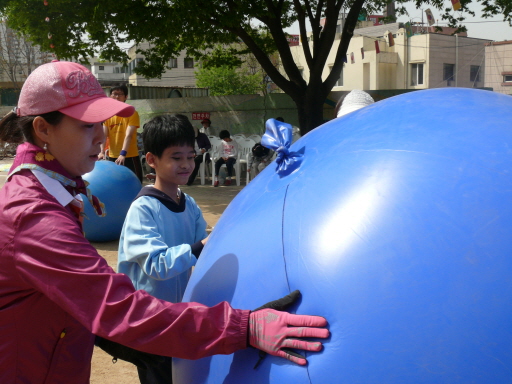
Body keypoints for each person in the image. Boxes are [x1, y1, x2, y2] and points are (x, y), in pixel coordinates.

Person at [0, 60, 329, 383]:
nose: (102, 137)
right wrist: (245, 327)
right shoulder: (34, 214)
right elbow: (116, 306)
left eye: (102, 123)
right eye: (87, 126)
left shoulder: (54, 190)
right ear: (43, 129)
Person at [116, 114, 208, 382]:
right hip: (150, 323)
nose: (186, 164)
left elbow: (203, 255)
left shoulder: (188, 203)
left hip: (179, 318)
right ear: (152, 160)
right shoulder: (143, 208)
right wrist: (201, 246)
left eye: (190, 157)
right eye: (176, 157)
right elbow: (157, 266)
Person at [99, 84, 143, 182]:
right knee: (114, 183)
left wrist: (123, 154)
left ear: (126, 97)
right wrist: (101, 152)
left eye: (120, 94)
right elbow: (104, 135)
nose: (117, 97)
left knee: (136, 182)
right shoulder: (108, 115)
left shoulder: (132, 113)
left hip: (129, 156)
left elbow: (129, 135)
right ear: (110, 96)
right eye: (114, 94)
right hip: (112, 156)